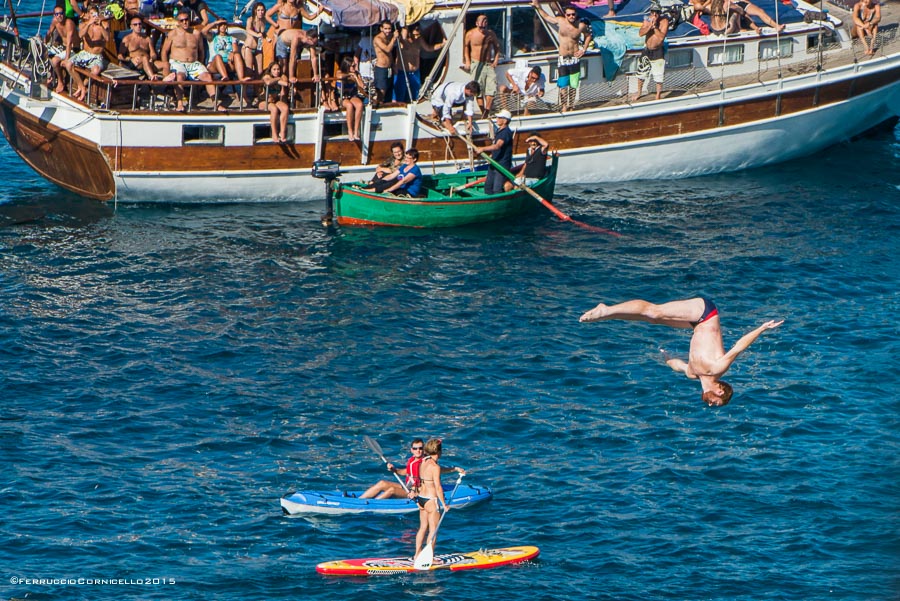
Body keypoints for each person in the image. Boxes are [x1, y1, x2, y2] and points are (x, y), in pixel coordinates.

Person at [579, 297, 784, 407]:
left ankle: (609, 316)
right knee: (654, 311)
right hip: (705, 313)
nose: (711, 405)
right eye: (716, 402)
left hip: (695, 324)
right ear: (721, 391)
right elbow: (740, 346)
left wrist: (667, 358)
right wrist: (762, 328)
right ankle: (605, 309)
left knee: (653, 319)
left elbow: (679, 366)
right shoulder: (717, 368)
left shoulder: (693, 374)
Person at [531, 1, 592, 112]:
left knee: (573, 84)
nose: (571, 16)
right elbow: (547, 17)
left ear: (576, 14)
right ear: (565, 15)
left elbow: (588, 36)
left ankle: (571, 105)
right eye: (569, 14)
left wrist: (584, 49)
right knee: (563, 84)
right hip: (563, 58)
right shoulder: (561, 22)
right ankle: (564, 105)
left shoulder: (581, 25)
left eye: (573, 14)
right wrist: (538, 7)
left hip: (575, 58)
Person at [413, 438, 465, 564]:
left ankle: (417, 554)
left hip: (421, 499)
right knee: (433, 530)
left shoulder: (423, 461)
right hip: (431, 500)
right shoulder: (435, 467)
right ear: (439, 452)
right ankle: (430, 558)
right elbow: (438, 487)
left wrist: (454, 469)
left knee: (422, 527)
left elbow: (437, 471)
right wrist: (444, 504)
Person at [161, 11, 221, 111]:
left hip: (193, 63)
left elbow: (201, 51)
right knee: (179, 76)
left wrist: (201, 63)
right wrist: (166, 66)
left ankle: (215, 102)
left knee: (207, 76)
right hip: (177, 62)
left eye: (186, 19)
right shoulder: (173, 34)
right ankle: (180, 103)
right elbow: (164, 52)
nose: (185, 22)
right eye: (182, 20)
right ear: (178, 22)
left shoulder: (196, 34)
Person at [61, 7, 109, 102]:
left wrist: (100, 27)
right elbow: (80, 35)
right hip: (85, 53)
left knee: (95, 70)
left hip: (96, 55)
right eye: (92, 14)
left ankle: (83, 86)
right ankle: (82, 87)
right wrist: (89, 24)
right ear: (88, 15)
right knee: (68, 64)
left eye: (95, 14)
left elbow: (107, 38)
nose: (94, 16)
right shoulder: (84, 24)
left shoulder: (104, 25)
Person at [393, 23, 443, 104]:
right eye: (415, 34)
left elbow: (429, 48)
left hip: (415, 72)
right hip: (402, 72)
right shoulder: (401, 40)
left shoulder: (419, 40)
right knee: (400, 96)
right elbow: (404, 35)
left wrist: (442, 44)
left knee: (414, 96)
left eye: (418, 34)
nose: (417, 36)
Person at [360, 438, 425, 499]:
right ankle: (360, 500)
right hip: (407, 487)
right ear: (412, 450)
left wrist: (415, 492)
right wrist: (394, 470)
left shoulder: (424, 463)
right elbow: (406, 471)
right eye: (415, 448)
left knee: (392, 490)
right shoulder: (412, 460)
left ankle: (373, 503)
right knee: (382, 483)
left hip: (415, 492)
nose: (418, 450)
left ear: (423, 449)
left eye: (420, 448)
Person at [463, 14, 500, 117]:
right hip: (476, 63)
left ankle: (487, 111)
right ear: (476, 24)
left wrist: (496, 60)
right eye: (480, 27)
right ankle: (483, 110)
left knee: (491, 87)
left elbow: (497, 47)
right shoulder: (470, 34)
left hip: (488, 64)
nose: (482, 29)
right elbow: (466, 47)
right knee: (478, 89)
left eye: (485, 26)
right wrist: (467, 61)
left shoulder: (490, 34)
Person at [631, 3, 669, 102]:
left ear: (660, 13)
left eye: (657, 12)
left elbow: (661, 38)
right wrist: (649, 27)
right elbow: (640, 33)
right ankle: (639, 92)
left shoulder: (664, 22)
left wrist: (655, 27)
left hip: (658, 51)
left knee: (658, 75)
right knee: (641, 73)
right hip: (647, 50)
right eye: (653, 12)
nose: (654, 14)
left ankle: (658, 95)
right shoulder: (647, 20)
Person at [474, 109, 513, 195]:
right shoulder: (499, 130)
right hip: (494, 163)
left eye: (499, 118)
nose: (497, 119)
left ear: (505, 120)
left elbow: (498, 146)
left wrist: (482, 149)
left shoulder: (506, 132)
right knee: (488, 187)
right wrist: (492, 155)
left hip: (501, 165)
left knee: (497, 189)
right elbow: (498, 148)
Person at [46, 6, 77, 93]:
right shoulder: (55, 22)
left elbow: (69, 43)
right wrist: (46, 39)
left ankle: (60, 82)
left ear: (64, 14)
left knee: (55, 60)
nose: (59, 16)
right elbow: (49, 34)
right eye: (57, 14)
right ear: (54, 15)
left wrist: (67, 58)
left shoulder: (69, 23)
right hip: (63, 47)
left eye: (61, 13)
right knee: (44, 53)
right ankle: (49, 77)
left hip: (73, 49)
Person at [336, 56, 365, 142]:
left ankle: (356, 131)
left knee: (359, 105)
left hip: (351, 95)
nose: (354, 67)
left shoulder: (356, 73)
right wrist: (349, 74)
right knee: (349, 106)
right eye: (352, 66)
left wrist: (356, 77)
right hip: (341, 96)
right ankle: (350, 131)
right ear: (347, 66)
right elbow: (340, 77)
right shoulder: (340, 72)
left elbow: (362, 86)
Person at [260, 61, 290, 142]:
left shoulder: (281, 76)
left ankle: (282, 132)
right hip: (264, 101)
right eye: (274, 69)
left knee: (285, 108)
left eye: (278, 69)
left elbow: (286, 83)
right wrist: (278, 79)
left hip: (275, 100)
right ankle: (274, 133)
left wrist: (282, 80)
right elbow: (268, 82)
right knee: (274, 109)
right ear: (270, 70)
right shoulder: (267, 76)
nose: (277, 71)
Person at [373, 20, 398, 105]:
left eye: (389, 29)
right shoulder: (378, 39)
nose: (388, 31)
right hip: (381, 68)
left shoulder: (388, 37)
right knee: (381, 90)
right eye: (386, 29)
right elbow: (387, 49)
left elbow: (390, 54)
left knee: (388, 88)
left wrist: (393, 64)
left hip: (389, 67)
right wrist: (394, 38)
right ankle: (378, 105)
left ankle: (385, 104)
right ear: (381, 29)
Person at [241, 2, 268, 76]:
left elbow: (263, 33)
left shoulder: (264, 20)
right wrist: (257, 35)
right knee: (249, 71)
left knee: (259, 73)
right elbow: (248, 29)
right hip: (248, 48)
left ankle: (257, 87)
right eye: (258, 10)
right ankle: (245, 87)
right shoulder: (250, 20)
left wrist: (267, 37)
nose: (260, 12)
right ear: (255, 11)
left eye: (262, 10)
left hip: (258, 49)